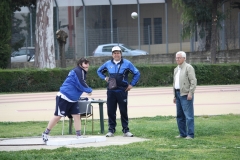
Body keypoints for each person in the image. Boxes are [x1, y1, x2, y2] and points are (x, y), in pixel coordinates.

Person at [42, 58, 92, 142]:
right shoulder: (79, 71)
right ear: (80, 65)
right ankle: (45, 133)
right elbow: (81, 82)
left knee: (77, 116)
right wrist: (89, 90)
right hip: (64, 97)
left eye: (88, 64)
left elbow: (78, 84)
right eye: (85, 64)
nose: (87, 66)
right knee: (58, 116)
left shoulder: (81, 72)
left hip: (73, 99)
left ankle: (79, 135)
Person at [97, 46, 140, 137]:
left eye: (118, 53)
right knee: (111, 110)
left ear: (121, 54)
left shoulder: (127, 63)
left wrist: (131, 84)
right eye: (115, 53)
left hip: (122, 90)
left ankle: (126, 130)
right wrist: (105, 78)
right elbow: (99, 71)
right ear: (112, 55)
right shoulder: (108, 64)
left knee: (123, 110)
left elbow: (137, 73)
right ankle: (111, 130)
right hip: (111, 90)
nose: (116, 55)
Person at [173, 51, 197, 139]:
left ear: (184, 58)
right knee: (179, 116)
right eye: (176, 57)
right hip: (178, 94)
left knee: (188, 116)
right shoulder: (176, 69)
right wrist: (175, 95)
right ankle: (182, 133)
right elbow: (175, 83)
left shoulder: (188, 67)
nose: (177, 59)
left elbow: (193, 81)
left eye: (179, 57)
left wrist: (190, 93)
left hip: (186, 94)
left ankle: (190, 134)